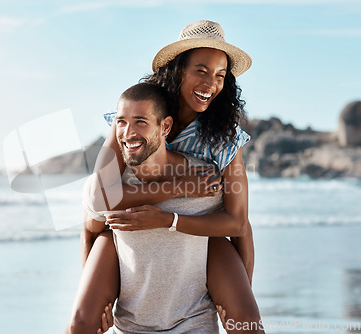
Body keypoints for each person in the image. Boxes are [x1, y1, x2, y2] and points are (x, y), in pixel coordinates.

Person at [66, 20, 264, 334]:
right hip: (127, 244)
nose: (210, 84)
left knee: (247, 321)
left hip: (202, 244)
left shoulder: (224, 137)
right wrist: (180, 187)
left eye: (220, 75)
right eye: (201, 70)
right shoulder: (140, 115)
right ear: (178, 70)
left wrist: (241, 296)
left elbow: (239, 225)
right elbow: (98, 199)